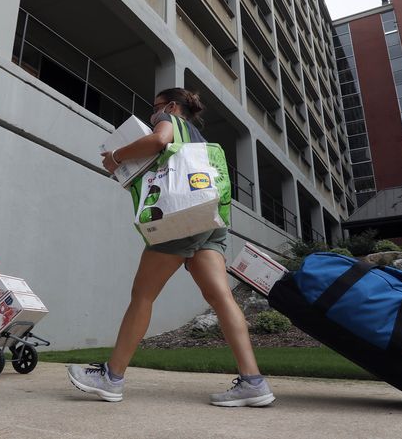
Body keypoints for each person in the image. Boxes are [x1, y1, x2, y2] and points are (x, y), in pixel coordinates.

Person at [67, 88, 275, 407]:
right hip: (209, 216)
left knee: (143, 295)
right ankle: (253, 382)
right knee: (221, 298)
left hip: (181, 218)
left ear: (172, 106)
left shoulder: (167, 120)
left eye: (155, 108)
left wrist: (118, 156)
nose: (153, 116)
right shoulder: (197, 140)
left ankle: (112, 377)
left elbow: (159, 140)